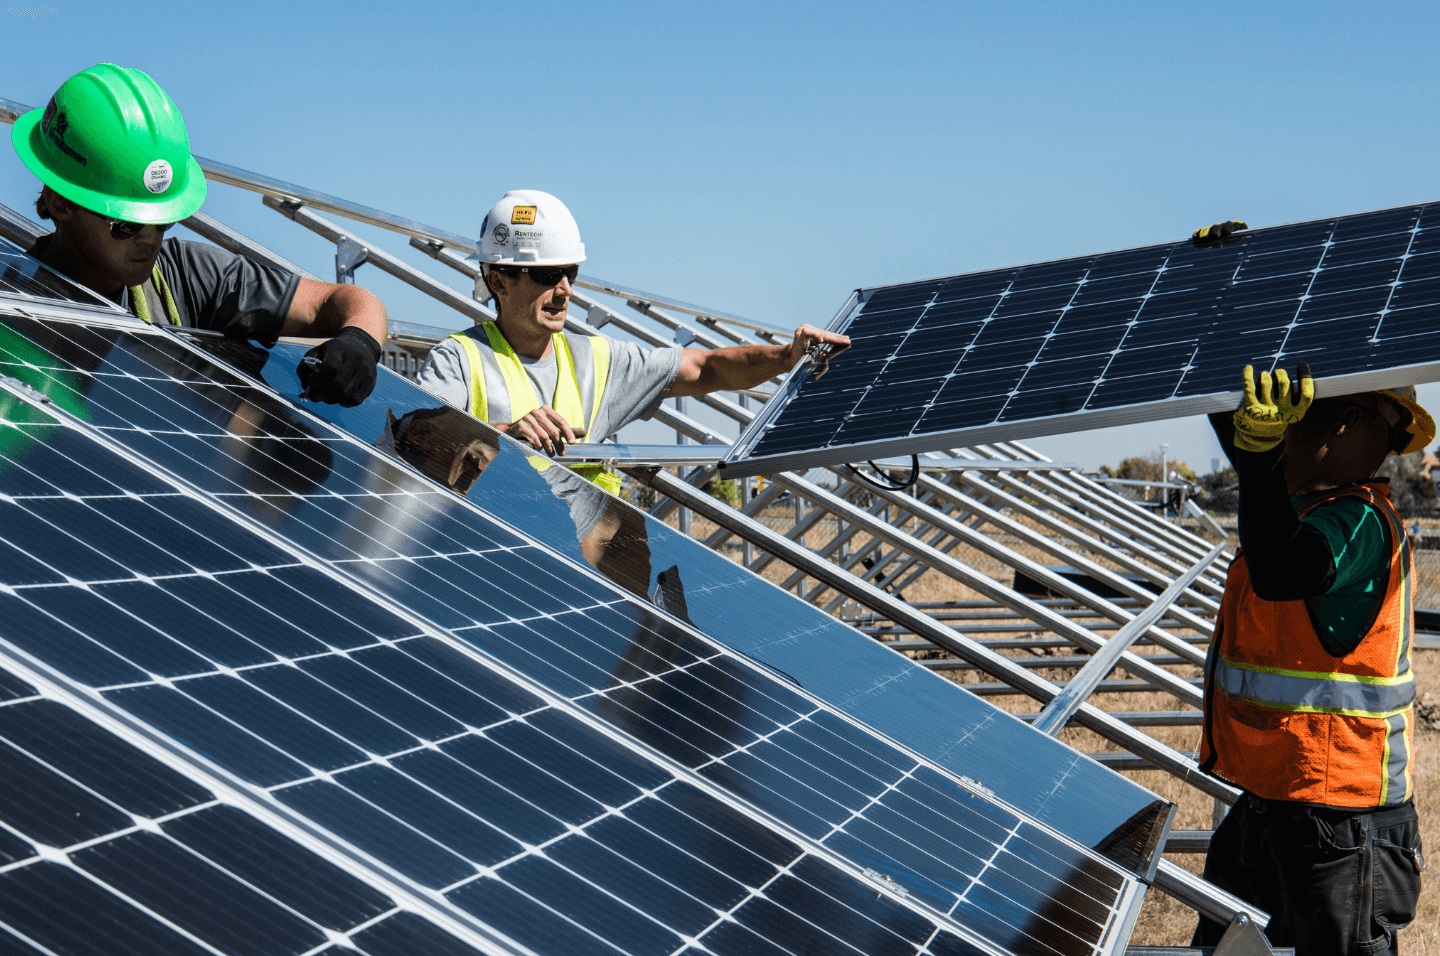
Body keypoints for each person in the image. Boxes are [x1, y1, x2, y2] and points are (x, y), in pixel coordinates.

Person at [1195, 362, 1430, 956]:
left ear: (1346, 423)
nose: (1276, 436)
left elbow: (1279, 567)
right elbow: (1256, 466)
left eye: (1292, 423)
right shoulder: (1295, 510)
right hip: (1272, 804)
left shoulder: (1360, 523)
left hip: (1338, 824)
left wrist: (1261, 448)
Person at [416, 190, 849, 490]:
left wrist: (786, 356)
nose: (565, 290)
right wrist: (503, 436)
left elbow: (707, 367)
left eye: (571, 274)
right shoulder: (459, 361)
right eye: (548, 276)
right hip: (487, 564)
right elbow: (418, 447)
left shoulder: (598, 361)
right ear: (498, 281)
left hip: (574, 567)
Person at [11, 63, 386, 407]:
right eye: (126, 224)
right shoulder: (13, 312)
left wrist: (360, 342)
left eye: (163, 222)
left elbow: (347, 300)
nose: (149, 240)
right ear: (59, 203)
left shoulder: (187, 274)